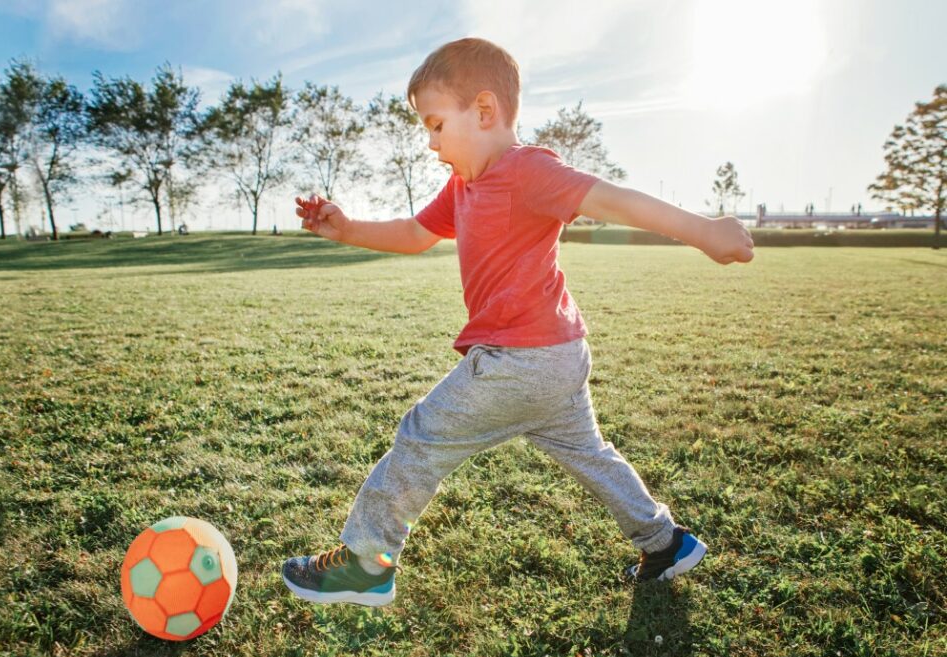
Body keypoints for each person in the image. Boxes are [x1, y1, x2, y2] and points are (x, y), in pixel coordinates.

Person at [282, 37, 754, 607]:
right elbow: (412, 234)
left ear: (484, 111)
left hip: (520, 360)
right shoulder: (464, 185)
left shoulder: (528, 170)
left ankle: (364, 564)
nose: (431, 144)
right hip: (557, 355)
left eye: (435, 125)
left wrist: (705, 231)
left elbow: (615, 202)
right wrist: (347, 227)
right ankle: (666, 542)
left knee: (421, 437)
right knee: (589, 454)